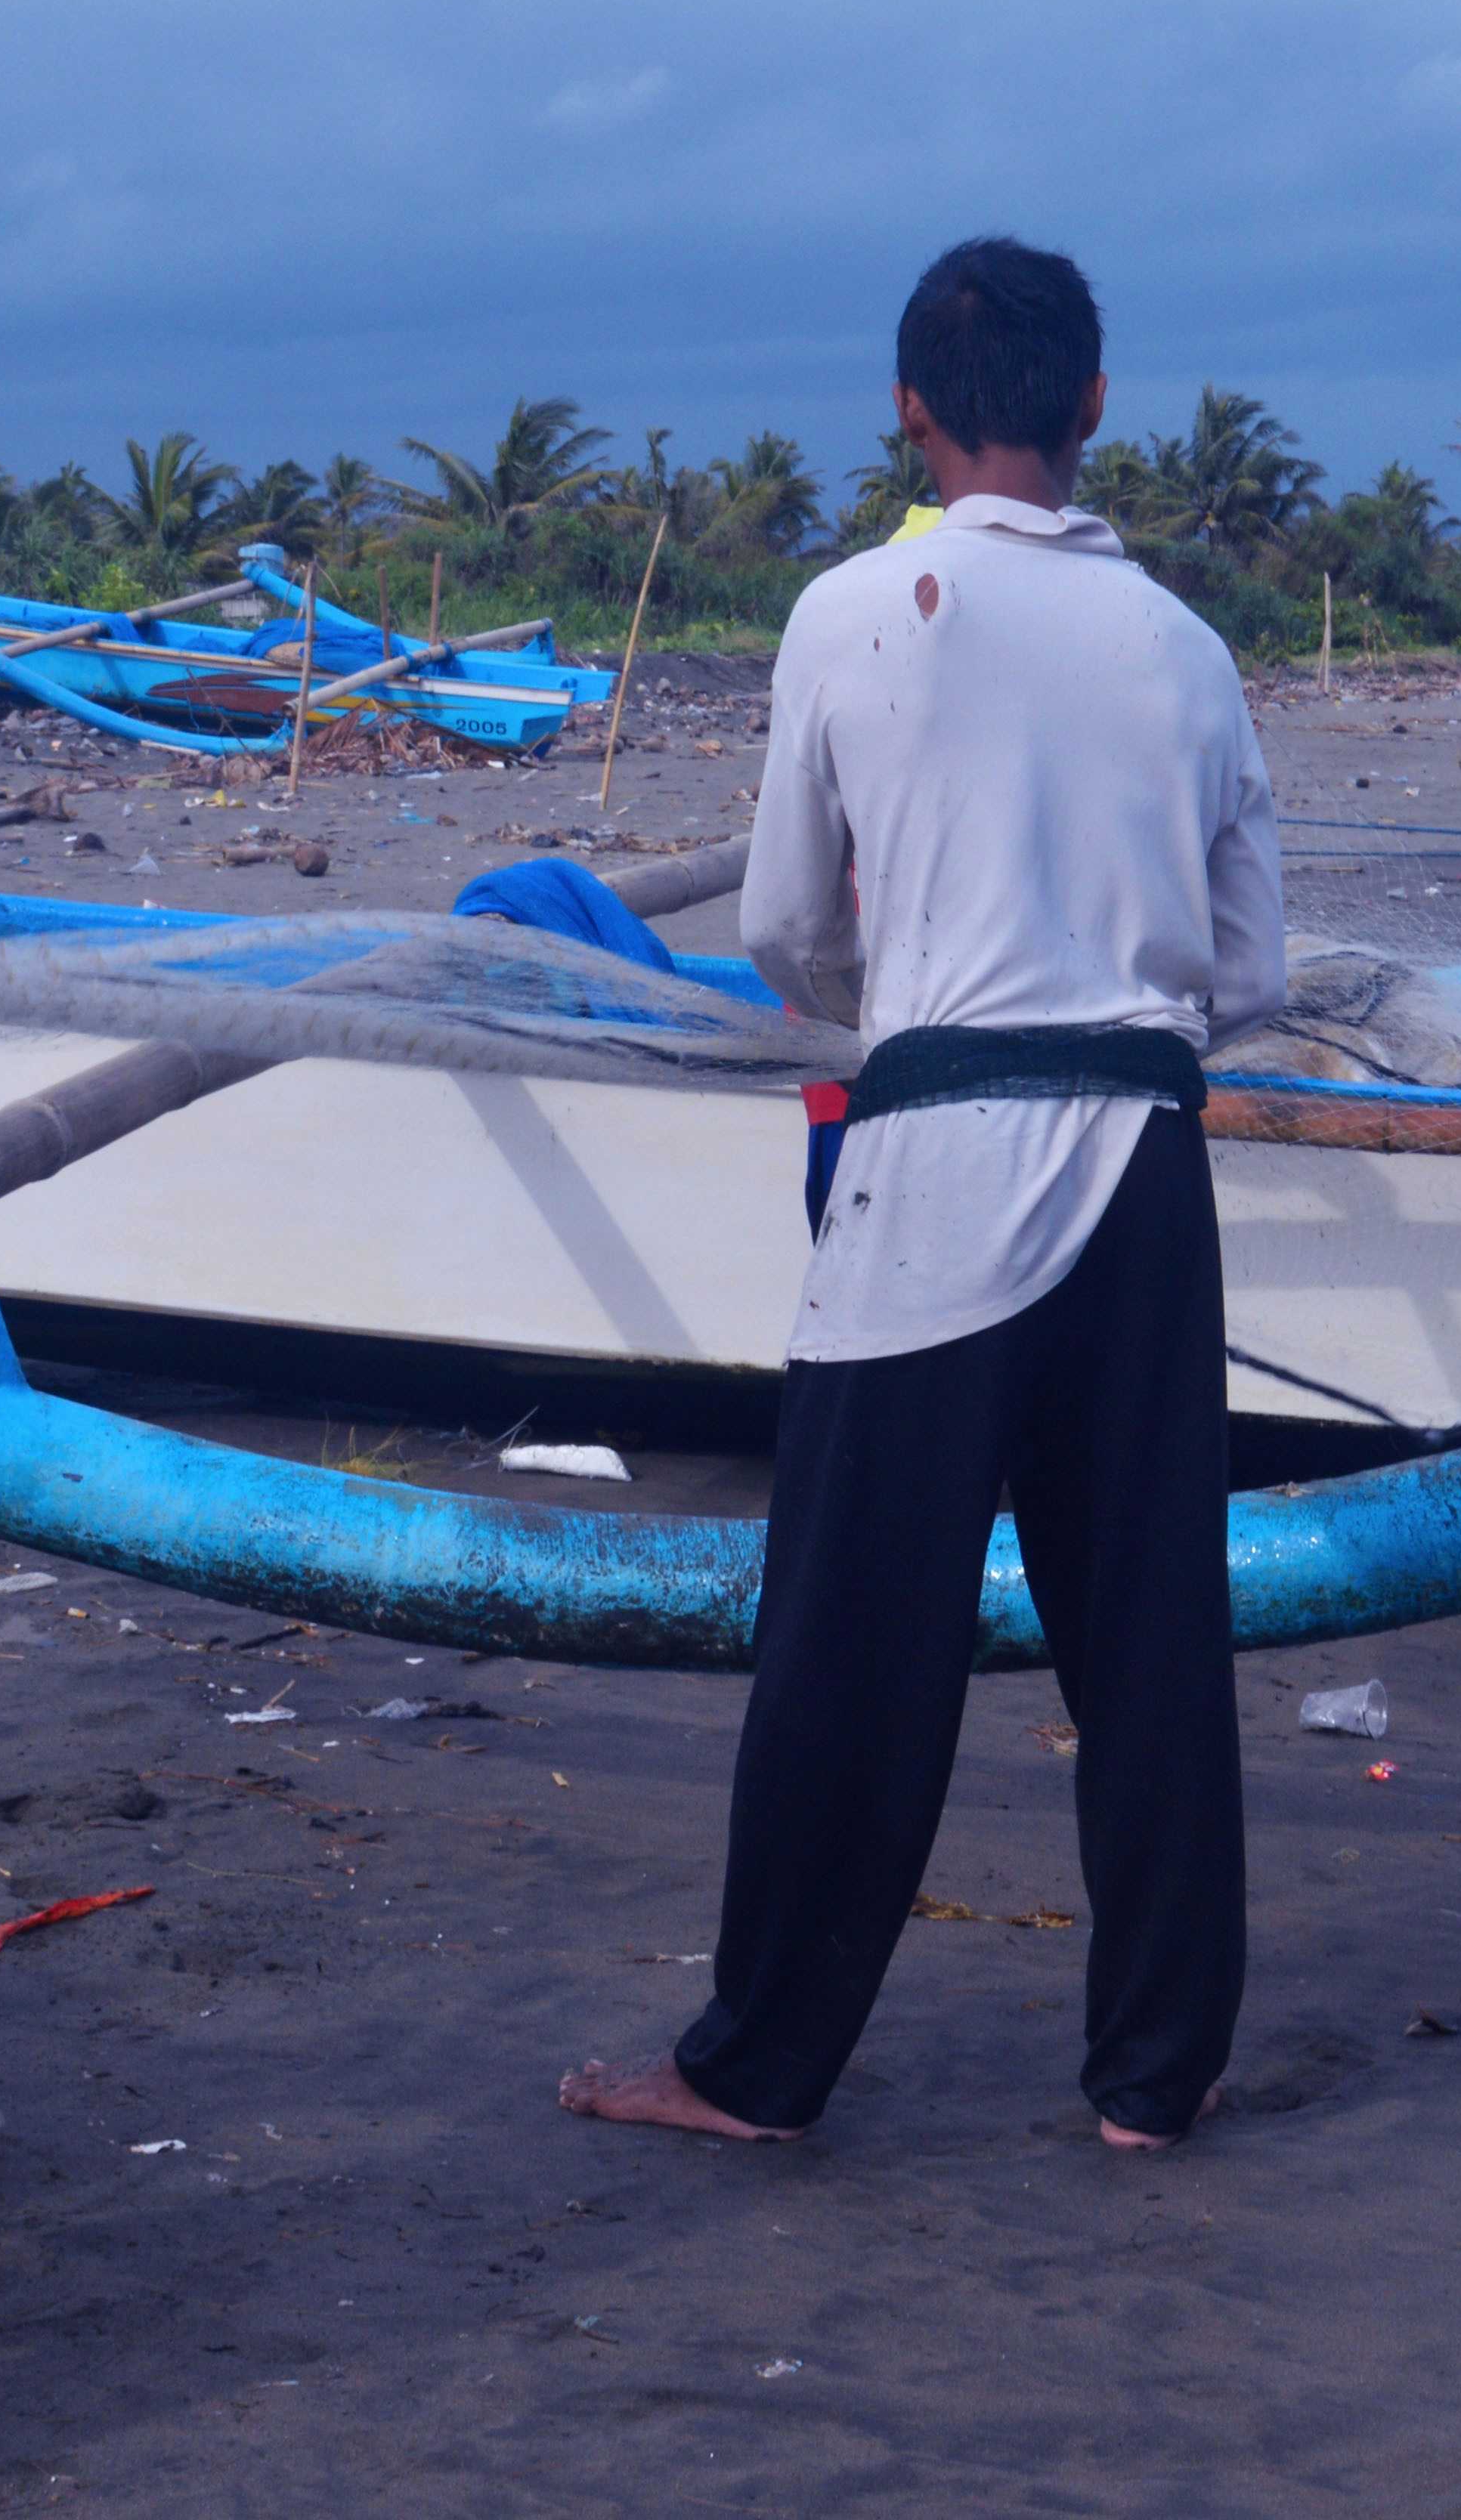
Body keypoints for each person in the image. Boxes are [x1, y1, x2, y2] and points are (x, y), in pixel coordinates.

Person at [560, 238, 1284, 2154]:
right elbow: (1252, 973)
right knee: (1148, 1635)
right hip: (1143, 1166)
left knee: (853, 1639)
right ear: (1093, 408)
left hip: (935, 1163)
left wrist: (910, 991)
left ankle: (758, 2063)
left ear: (909, 409)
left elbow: (791, 922)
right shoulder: (1191, 651)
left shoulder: (858, 609)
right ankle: (1156, 2072)